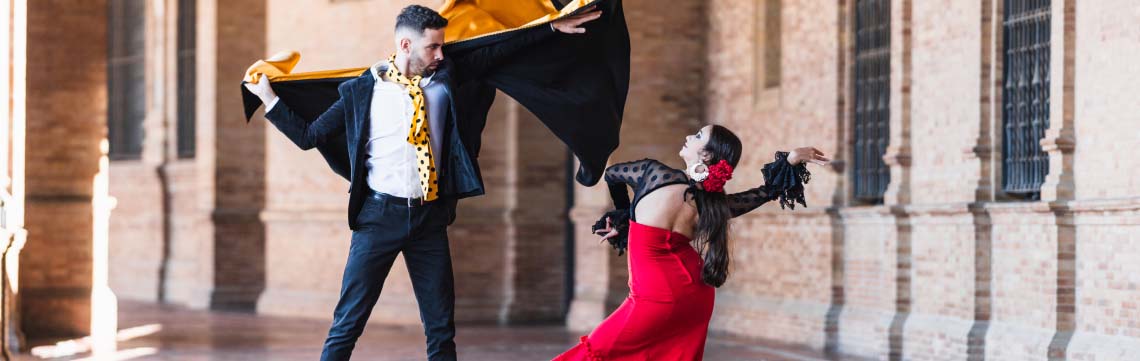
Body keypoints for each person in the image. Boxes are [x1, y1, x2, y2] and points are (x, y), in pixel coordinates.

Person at [242, 5, 601, 361]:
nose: (440, 54)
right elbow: (309, 136)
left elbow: (497, 49)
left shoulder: (446, 76)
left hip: (430, 219)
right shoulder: (362, 91)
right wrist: (268, 99)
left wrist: (551, 28)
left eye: (442, 45)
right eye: (432, 47)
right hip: (378, 218)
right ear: (405, 45)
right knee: (348, 322)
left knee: (441, 327)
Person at [552, 124, 829, 360]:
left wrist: (623, 215)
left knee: (595, 351)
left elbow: (612, 175)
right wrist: (791, 159)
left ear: (705, 155)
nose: (689, 137)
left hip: (654, 299)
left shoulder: (652, 173)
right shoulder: (712, 203)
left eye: (697, 136)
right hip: (693, 296)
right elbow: (764, 192)